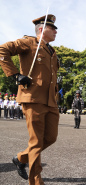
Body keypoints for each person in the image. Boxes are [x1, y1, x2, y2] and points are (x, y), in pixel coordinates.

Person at [0, 14, 59, 184]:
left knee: (50, 138)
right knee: (36, 142)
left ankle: (20, 158)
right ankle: (35, 181)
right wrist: (16, 75)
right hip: (33, 98)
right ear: (41, 29)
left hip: (50, 101)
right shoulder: (28, 42)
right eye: (52, 28)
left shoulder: (52, 51)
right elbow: (2, 50)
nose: (56, 31)